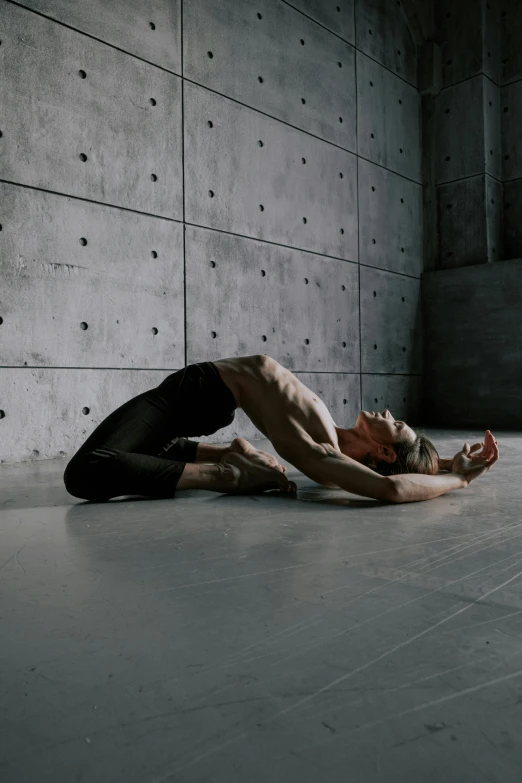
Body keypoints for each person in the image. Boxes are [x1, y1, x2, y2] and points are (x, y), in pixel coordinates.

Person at [63, 354, 499, 504]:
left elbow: (392, 490)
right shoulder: (331, 438)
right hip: (197, 402)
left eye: (396, 424)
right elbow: (399, 471)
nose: (388, 412)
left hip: (186, 397)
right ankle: (225, 456)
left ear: (384, 452)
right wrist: (442, 464)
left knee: (87, 472)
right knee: (142, 450)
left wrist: (459, 480)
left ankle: (225, 475)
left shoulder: (323, 453)